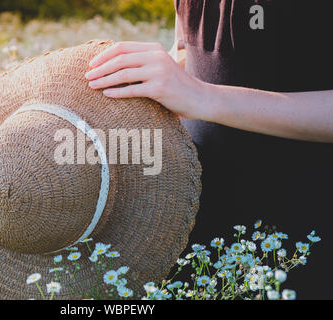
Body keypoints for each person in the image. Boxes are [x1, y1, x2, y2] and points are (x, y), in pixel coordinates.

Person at [85, 0, 333, 299]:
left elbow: (200, 89)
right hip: (188, 230)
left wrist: (203, 95)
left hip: (300, 239)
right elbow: (191, 52)